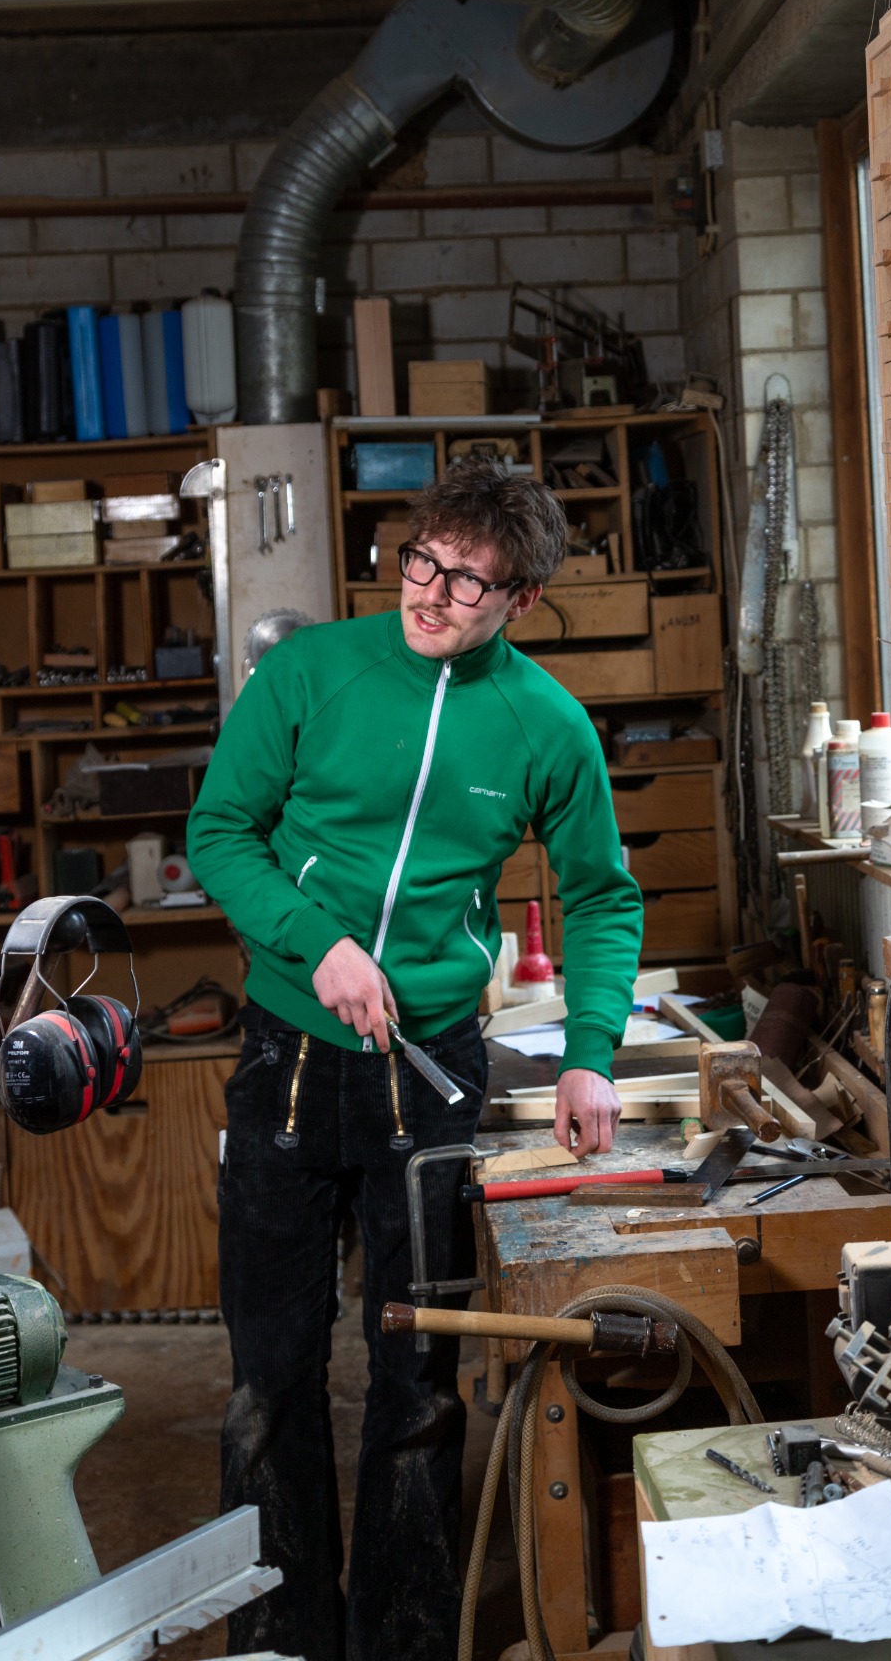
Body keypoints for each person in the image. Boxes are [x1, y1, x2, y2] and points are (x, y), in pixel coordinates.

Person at [186, 456, 644, 1661]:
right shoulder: (310, 671)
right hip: (287, 1059)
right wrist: (317, 940)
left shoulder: (546, 723)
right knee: (269, 1378)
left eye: (468, 581)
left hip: (428, 1071)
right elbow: (219, 831)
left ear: (523, 598)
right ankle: (280, 1638)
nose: (431, 594)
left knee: (418, 1380)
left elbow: (602, 895)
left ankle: (400, 1640)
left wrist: (591, 1053)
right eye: (422, 562)